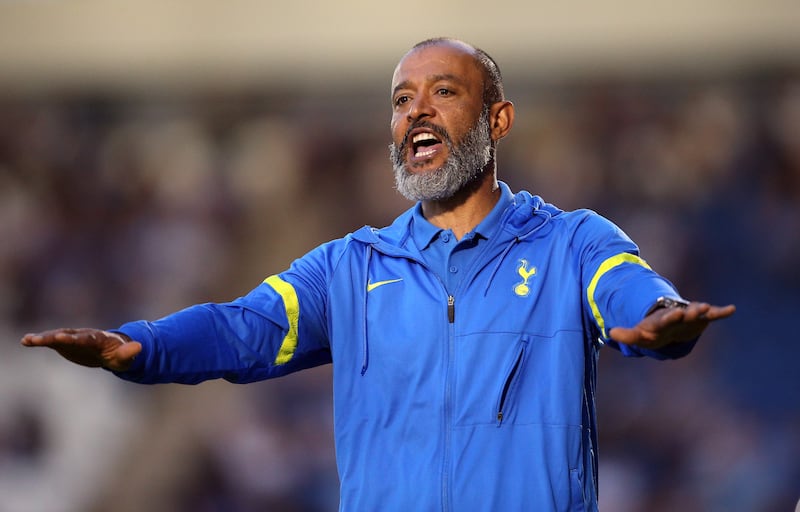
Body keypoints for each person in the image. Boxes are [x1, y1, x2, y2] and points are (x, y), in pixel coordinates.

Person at [21, 37, 735, 511]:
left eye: (443, 93)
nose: (415, 110)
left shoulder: (572, 242)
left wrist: (657, 324)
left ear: (499, 119)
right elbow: (245, 328)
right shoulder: (348, 267)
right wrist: (139, 348)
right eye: (400, 99)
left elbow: (629, 294)